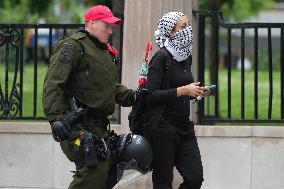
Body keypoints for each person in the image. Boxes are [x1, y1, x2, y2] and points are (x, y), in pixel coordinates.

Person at [42, 5, 137, 189]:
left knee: (109, 171)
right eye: (106, 26)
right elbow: (54, 83)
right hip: (76, 125)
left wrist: (134, 96)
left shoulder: (102, 51)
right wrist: (54, 118)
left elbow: (109, 88)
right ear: (91, 23)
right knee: (94, 169)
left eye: (111, 26)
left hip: (99, 126)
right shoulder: (72, 46)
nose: (110, 31)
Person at [143, 12, 211, 189]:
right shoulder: (161, 57)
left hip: (184, 127)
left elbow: (184, 86)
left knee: (195, 178)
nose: (188, 30)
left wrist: (196, 91)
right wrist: (183, 90)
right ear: (171, 32)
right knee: (163, 182)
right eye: (183, 27)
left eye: (188, 25)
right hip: (163, 129)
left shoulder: (185, 56)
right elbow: (150, 95)